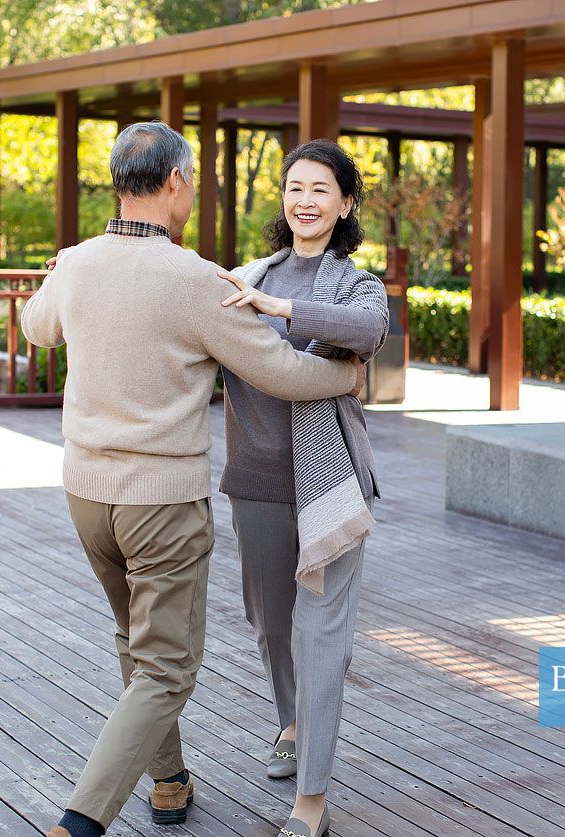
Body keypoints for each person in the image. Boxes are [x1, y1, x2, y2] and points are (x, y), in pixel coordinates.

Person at [22, 121, 365, 837]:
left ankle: (169, 781)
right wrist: (344, 370)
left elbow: (37, 328)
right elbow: (281, 370)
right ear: (174, 182)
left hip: (85, 493)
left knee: (133, 642)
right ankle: (79, 821)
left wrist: (59, 273)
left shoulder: (79, 262)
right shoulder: (194, 279)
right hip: (161, 503)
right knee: (166, 668)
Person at [213, 139, 387, 837]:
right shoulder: (243, 276)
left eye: (320, 188)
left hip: (330, 484)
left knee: (321, 637)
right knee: (270, 625)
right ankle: (289, 719)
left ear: (344, 202)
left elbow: (370, 330)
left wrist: (278, 307)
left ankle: (310, 799)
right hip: (253, 478)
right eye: (293, 186)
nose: (304, 200)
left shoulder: (355, 282)